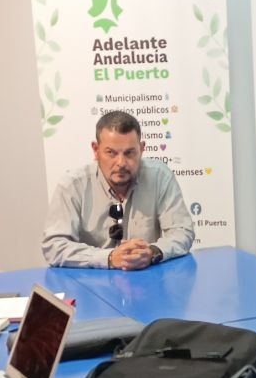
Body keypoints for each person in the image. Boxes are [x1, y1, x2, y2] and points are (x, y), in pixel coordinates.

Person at [42, 110, 195, 269]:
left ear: (141, 149)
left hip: (145, 281)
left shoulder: (160, 177)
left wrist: (152, 252)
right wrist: (108, 258)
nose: (121, 162)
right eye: (111, 153)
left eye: (129, 153)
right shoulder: (73, 185)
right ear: (96, 150)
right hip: (91, 283)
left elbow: (182, 231)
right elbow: (53, 246)